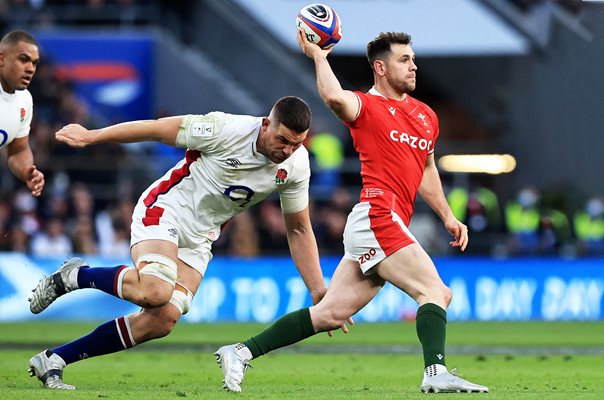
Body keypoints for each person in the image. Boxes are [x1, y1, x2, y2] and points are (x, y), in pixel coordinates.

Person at [214, 31, 489, 394]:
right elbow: (331, 96)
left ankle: (240, 352)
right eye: (404, 59)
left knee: (330, 314)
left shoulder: (426, 117)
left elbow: (426, 171)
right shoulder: (366, 106)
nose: (413, 65)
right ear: (380, 67)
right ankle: (435, 373)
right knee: (436, 292)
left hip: (381, 222)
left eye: (413, 58)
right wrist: (318, 55)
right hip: (377, 214)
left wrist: (448, 216)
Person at [27, 96, 328, 390]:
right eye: (283, 140)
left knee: (162, 320)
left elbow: (299, 229)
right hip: (165, 209)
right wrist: (93, 136)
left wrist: (318, 290)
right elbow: (156, 129)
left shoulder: (296, 166)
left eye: (296, 144)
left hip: (200, 238)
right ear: (266, 124)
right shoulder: (225, 129)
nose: (287, 150)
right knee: (155, 290)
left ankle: (54, 359)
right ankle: (76, 276)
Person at [0, 30, 45, 197]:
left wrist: (26, 171)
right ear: (2, 59)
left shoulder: (24, 101)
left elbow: (17, 149)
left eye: (34, 63)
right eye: (24, 59)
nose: (30, 68)